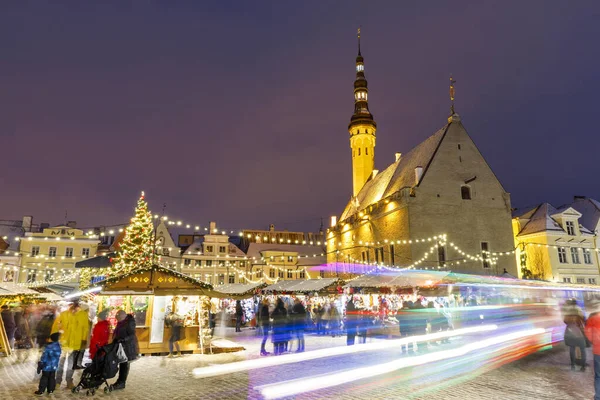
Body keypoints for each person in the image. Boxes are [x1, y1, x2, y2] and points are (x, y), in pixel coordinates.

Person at [112, 310, 139, 390]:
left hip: (128, 347)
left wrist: (123, 339)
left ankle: (121, 382)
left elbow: (132, 335)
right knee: (121, 363)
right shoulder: (122, 322)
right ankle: (120, 381)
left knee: (124, 364)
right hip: (121, 346)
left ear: (122, 316)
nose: (117, 321)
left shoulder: (129, 323)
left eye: (118, 319)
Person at [563, 299, 587, 371]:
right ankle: (583, 366)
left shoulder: (568, 311)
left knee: (572, 349)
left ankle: (572, 366)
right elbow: (583, 319)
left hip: (570, 332)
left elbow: (565, 321)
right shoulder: (579, 310)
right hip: (579, 332)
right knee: (582, 349)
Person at [586, 307, 600, 400]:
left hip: (598, 351)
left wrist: (595, 341)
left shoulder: (593, 318)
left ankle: (598, 396)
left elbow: (588, 333)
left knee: (598, 376)